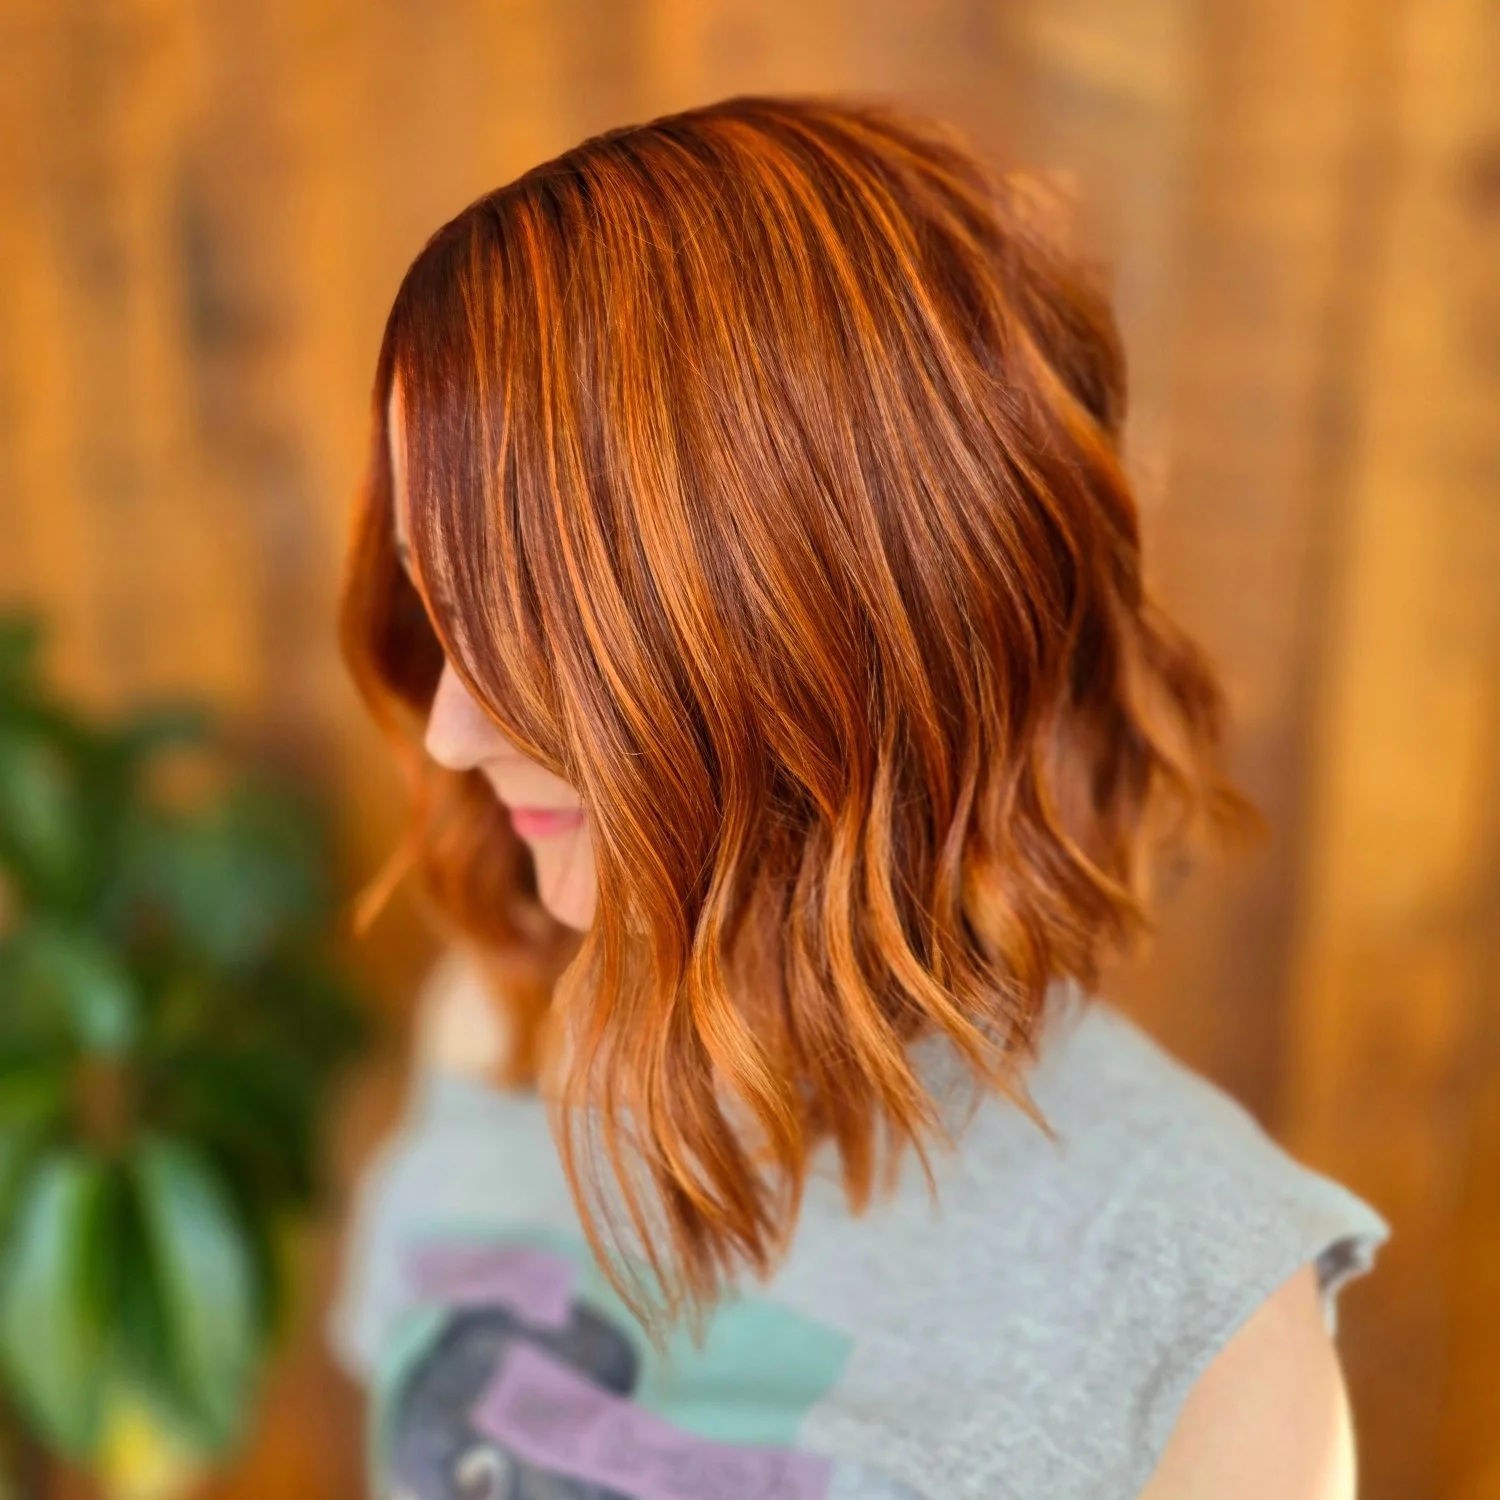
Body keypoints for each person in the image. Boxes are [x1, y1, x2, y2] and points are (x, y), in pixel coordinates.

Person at [331, 94, 1389, 1500]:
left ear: (812, 627)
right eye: (439, 604)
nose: (454, 729)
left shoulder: (1191, 1313)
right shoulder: (501, 1009)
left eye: (534, 640)